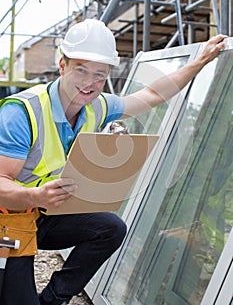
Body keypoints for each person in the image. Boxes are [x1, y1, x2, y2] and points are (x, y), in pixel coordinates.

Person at [0, 19, 227, 305]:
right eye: (80, 70)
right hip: (8, 222)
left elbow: (152, 94)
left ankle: (53, 300)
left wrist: (201, 62)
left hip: (44, 214)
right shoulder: (22, 112)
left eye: (99, 74)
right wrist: (35, 194)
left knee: (110, 228)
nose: (89, 83)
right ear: (62, 65)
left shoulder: (98, 106)